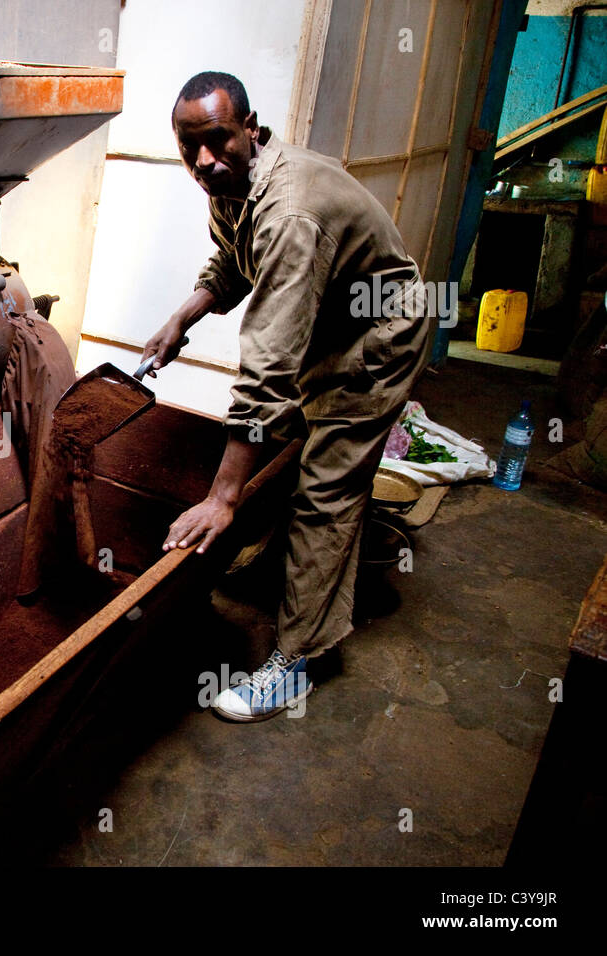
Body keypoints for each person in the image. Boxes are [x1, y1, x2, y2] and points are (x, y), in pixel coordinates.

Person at [141, 71, 432, 721]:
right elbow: (231, 261)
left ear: (252, 128)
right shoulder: (232, 179)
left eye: (217, 141)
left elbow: (268, 366)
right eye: (190, 148)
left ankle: (298, 659)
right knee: (293, 452)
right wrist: (181, 318)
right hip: (331, 322)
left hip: (377, 335)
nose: (204, 161)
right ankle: (287, 570)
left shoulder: (290, 212)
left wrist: (222, 497)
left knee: (327, 490)